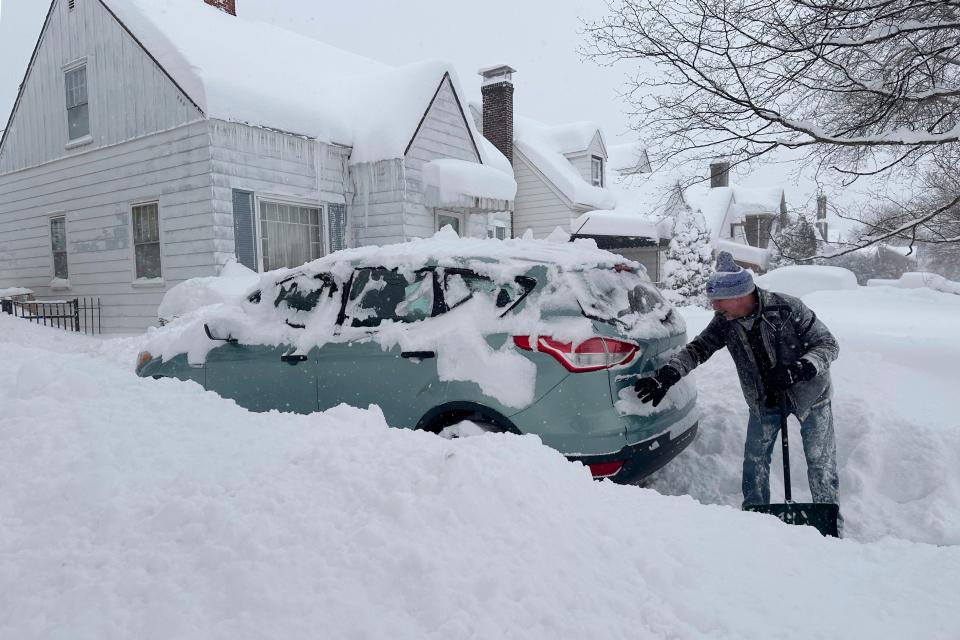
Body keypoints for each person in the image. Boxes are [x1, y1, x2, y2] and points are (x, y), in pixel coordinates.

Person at [635, 251, 840, 510]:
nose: (715, 307)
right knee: (755, 463)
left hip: (810, 394)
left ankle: (829, 519)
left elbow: (828, 344)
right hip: (764, 399)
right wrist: (667, 376)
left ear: (741, 295)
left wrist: (801, 368)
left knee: (820, 462)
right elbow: (699, 348)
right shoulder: (726, 321)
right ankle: (754, 515)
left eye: (719, 300)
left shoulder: (787, 308)